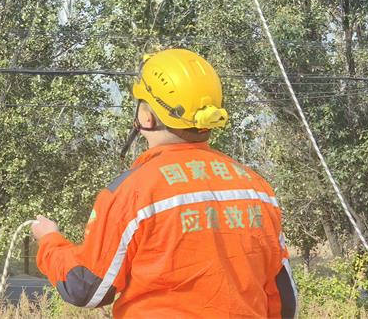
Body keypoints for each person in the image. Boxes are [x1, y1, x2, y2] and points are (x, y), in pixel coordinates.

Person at [30, 49, 298, 317]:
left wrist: (50, 241)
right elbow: (283, 298)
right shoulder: (256, 188)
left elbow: (86, 288)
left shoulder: (132, 192)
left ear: (147, 117)